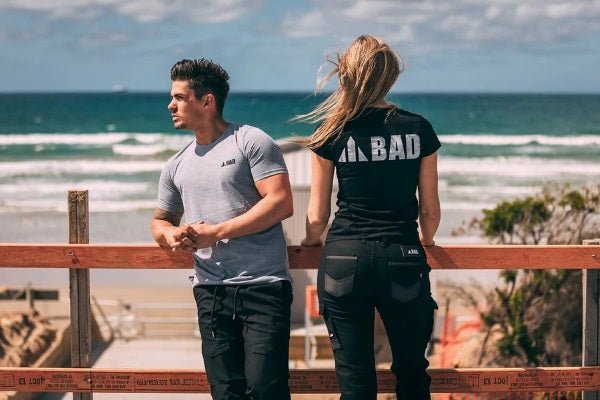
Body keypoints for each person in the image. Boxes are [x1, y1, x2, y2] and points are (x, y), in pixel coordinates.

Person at [297, 35, 441, 400]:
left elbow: (317, 215)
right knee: (412, 373)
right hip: (403, 257)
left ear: (346, 75)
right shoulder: (418, 128)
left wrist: (310, 243)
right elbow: (429, 211)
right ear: (390, 76)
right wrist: (425, 242)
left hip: (344, 259)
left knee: (355, 380)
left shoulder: (331, 130)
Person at [151, 58, 294, 400]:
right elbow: (160, 221)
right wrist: (171, 235)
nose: (170, 105)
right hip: (210, 290)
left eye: (179, 97)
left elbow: (280, 202)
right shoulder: (176, 164)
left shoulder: (251, 141)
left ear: (207, 100)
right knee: (226, 393)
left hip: (263, 285)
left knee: (266, 390)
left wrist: (216, 232)